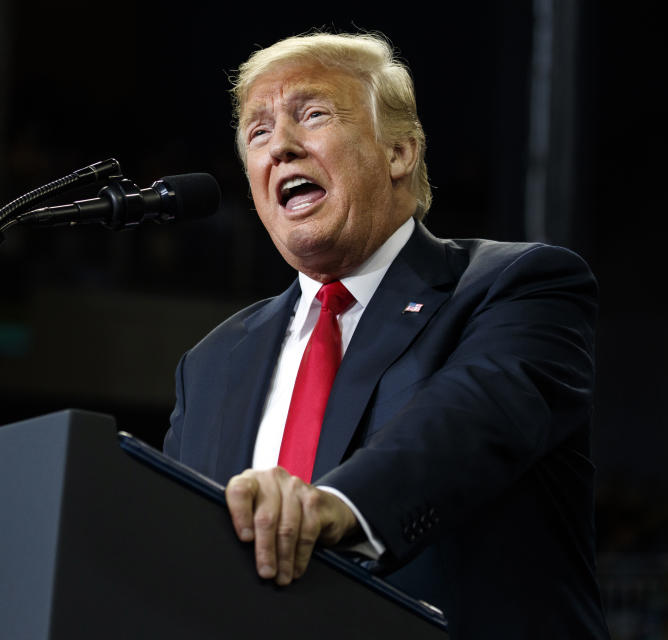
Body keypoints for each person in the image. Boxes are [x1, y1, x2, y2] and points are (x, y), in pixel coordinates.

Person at [163, 31, 609, 638]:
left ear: (400, 151)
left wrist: (334, 507)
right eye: (257, 132)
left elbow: (466, 424)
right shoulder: (211, 363)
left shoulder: (516, 287)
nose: (281, 148)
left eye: (312, 114)